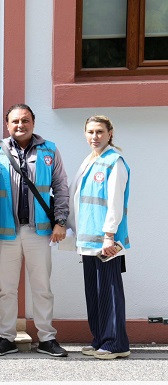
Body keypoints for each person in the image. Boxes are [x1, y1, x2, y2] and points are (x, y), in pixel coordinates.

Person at [0, 103, 69, 358]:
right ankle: (6, 338)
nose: (20, 125)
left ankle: (46, 337)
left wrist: (61, 221)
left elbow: (61, 187)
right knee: (7, 288)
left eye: (25, 120)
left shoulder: (49, 150)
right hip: (5, 231)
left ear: (33, 122)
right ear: (7, 124)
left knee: (42, 286)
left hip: (40, 231)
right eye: (15, 121)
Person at [69, 115, 131, 360]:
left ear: (110, 133)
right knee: (94, 293)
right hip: (88, 241)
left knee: (109, 290)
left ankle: (116, 343)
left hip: (106, 241)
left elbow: (115, 202)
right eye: (90, 132)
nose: (94, 137)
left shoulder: (114, 161)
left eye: (99, 132)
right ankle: (100, 340)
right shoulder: (91, 160)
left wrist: (109, 236)